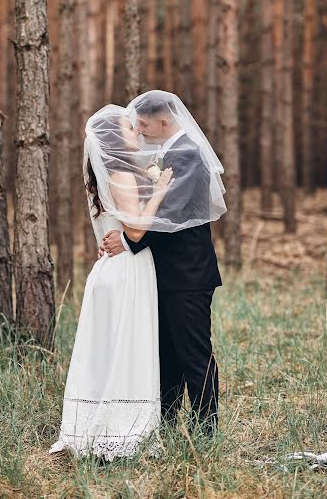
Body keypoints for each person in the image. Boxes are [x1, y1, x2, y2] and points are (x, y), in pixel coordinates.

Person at [100, 89, 227, 435]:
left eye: (143, 124)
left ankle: (205, 430)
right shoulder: (168, 153)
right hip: (167, 275)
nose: (139, 131)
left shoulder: (186, 153)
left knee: (193, 355)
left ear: (164, 121)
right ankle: (167, 425)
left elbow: (168, 215)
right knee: (167, 356)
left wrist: (127, 241)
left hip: (188, 275)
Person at [49, 113, 173, 461]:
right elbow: (134, 232)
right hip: (126, 272)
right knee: (126, 348)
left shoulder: (105, 177)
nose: (137, 131)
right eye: (129, 128)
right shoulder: (121, 175)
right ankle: (120, 433)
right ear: (116, 142)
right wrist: (159, 192)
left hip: (110, 269)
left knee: (107, 349)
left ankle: (96, 427)